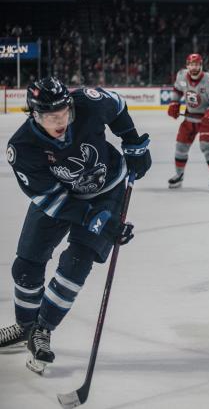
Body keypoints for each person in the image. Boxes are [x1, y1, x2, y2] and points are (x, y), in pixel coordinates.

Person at [0, 77, 151, 374]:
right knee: (26, 266)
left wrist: (132, 142)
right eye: (49, 117)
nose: (59, 122)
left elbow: (117, 106)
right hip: (61, 196)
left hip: (108, 190)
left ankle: (42, 330)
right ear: (34, 114)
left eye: (64, 114)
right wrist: (94, 220)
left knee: (76, 265)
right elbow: (51, 201)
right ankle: (25, 326)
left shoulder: (88, 103)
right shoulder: (22, 147)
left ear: (70, 106)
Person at [167, 53, 209, 191]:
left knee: (206, 147)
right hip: (189, 118)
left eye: (197, 64)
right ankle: (179, 175)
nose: (194, 67)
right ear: (187, 65)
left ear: (201, 65)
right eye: (191, 64)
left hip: (207, 119)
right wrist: (174, 103)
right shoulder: (181, 76)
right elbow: (177, 89)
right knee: (180, 147)